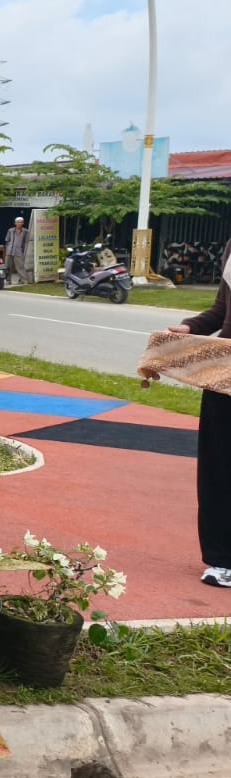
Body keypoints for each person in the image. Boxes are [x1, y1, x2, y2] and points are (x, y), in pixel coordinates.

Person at [167, 237, 231, 589]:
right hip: (224, 370)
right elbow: (222, 309)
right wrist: (192, 327)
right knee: (217, 466)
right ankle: (223, 559)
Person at [5, 216, 31, 286]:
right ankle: (8, 280)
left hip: (19, 251)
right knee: (8, 267)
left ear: (23, 223)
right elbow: (7, 240)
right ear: (15, 223)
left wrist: (23, 250)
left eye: (20, 222)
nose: (19, 223)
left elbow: (26, 242)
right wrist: (8, 248)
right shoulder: (10, 230)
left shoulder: (26, 231)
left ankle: (24, 280)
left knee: (20, 267)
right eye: (17, 222)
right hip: (10, 251)